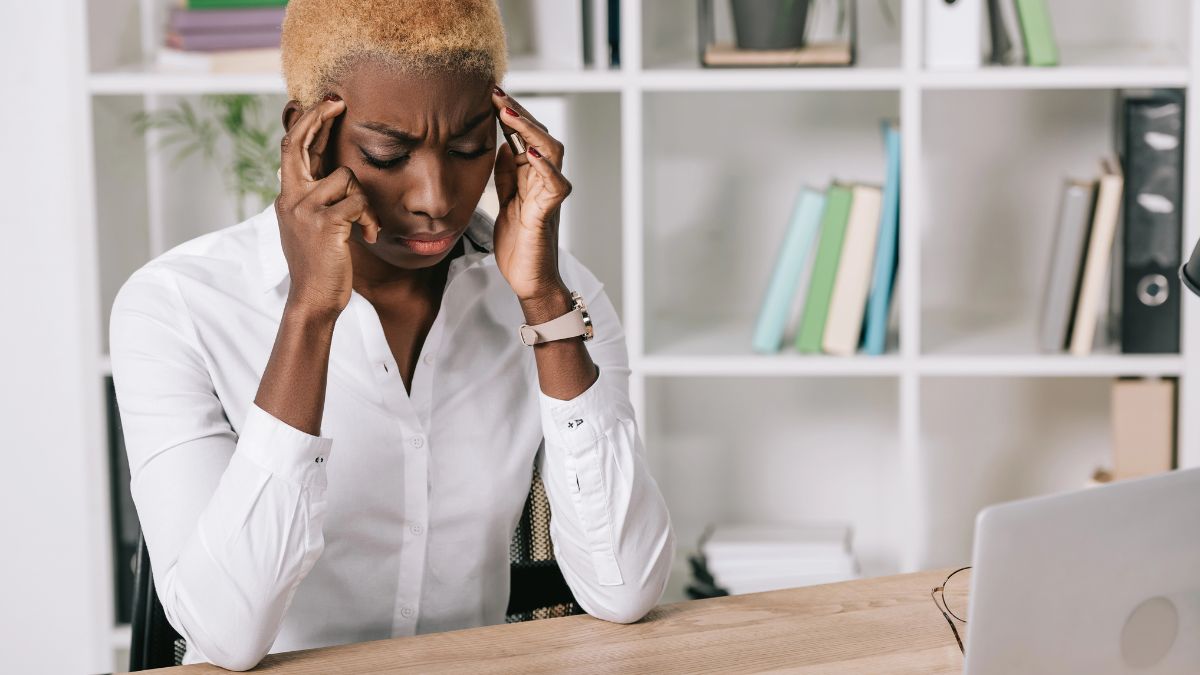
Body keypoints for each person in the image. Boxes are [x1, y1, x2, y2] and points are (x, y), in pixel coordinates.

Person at [109, 1, 674, 669]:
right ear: (307, 136)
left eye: (468, 146)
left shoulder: (555, 293)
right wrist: (310, 314)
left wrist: (546, 305)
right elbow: (225, 633)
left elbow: (625, 586)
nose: (435, 196)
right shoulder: (176, 307)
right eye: (388, 152)